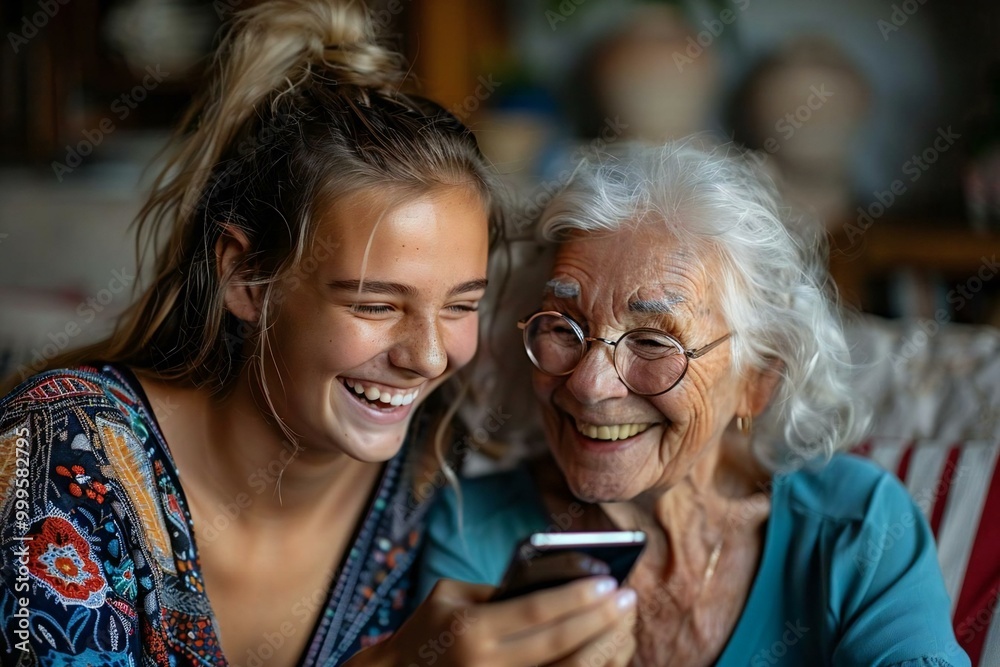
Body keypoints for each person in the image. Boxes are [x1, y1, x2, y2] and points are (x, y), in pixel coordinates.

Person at [0, 1, 638, 665]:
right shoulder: (58, 458)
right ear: (247, 278)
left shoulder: (433, 466)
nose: (425, 357)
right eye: (375, 305)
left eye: (459, 306)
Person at [418, 139, 971, 666]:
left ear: (758, 378)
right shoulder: (474, 531)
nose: (589, 385)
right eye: (564, 328)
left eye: (654, 342)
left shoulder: (853, 525)